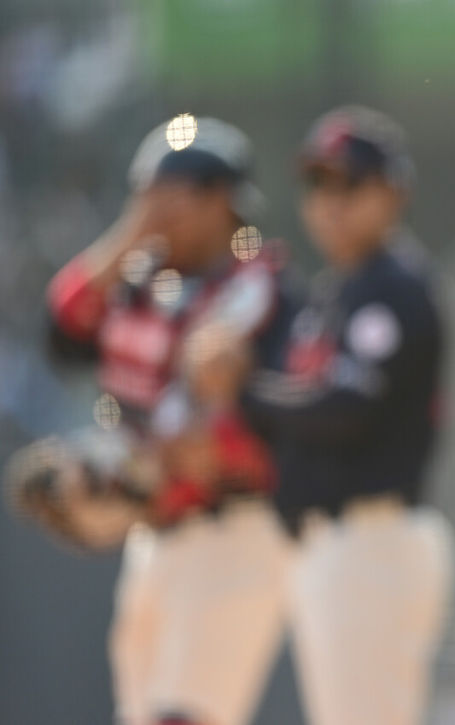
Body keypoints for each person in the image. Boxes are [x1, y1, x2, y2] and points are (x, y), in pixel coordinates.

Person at [42, 115, 291, 725]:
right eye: (144, 196)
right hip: (155, 534)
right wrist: (129, 234)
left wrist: (219, 446)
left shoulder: (268, 294)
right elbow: (64, 332)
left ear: (220, 201)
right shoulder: (142, 278)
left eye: (167, 196)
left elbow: (292, 423)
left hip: (233, 531)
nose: (153, 211)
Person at [233, 106, 455, 725]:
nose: (330, 200)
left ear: (394, 192)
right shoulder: (336, 291)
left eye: (349, 183)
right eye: (317, 183)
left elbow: (343, 410)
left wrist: (244, 393)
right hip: (335, 546)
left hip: (371, 540)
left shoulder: (395, 286)